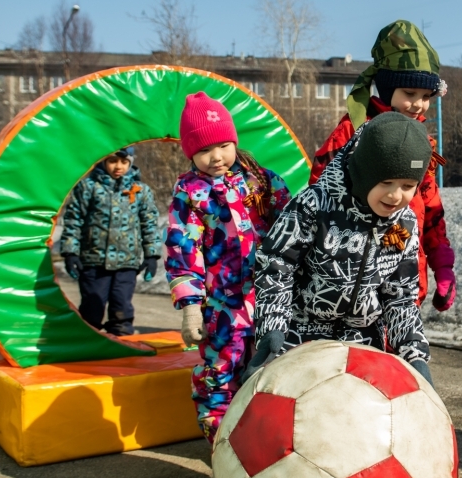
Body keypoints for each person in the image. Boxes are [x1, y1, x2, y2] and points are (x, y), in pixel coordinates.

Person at [249, 112, 433, 385]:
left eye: (407, 186)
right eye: (386, 183)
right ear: (363, 174)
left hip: (363, 340)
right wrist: (273, 330)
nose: (396, 196)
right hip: (302, 333)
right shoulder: (316, 205)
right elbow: (276, 264)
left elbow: (399, 297)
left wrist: (414, 354)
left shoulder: (403, 223)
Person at [165, 92, 290, 443]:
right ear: (191, 153)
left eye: (222, 145)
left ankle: (273, 443)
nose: (216, 157)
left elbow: (294, 230)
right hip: (223, 308)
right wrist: (190, 307)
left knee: (276, 371)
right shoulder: (190, 194)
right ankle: (223, 447)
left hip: (272, 302)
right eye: (204, 151)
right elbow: (183, 249)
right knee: (219, 376)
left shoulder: (264, 182)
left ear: (234, 141)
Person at [310, 20, 457, 313]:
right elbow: (318, 197)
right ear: (388, 89)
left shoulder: (420, 145)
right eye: (409, 93)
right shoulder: (354, 132)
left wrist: (442, 263)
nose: (418, 104)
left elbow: (429, 208)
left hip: (405, 284)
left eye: (426, 97)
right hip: (353, 280)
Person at [60, 147, 160, 336]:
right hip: (94, 261)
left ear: (130, 162)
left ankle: (122, 343)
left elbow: (149, 223)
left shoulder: (140, 191)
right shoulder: (88, 187)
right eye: (113, 161)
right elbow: (74, 220)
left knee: (122, 306)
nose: (118, 167)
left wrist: (151, 255)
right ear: (103, 161)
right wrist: (70, 252)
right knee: (92, 305)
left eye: (124, 162)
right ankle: (88, 343)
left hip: (127, 262)